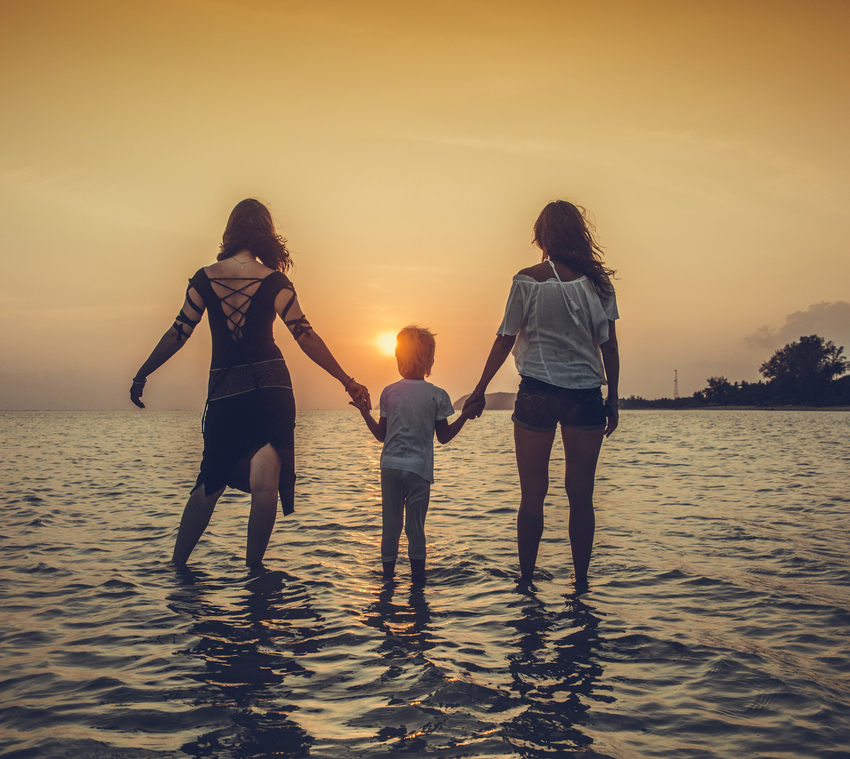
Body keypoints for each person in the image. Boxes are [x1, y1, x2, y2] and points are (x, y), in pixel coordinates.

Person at [130, 198, 369, 569]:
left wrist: (143, 372)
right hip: (272, 390)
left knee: (210, 479)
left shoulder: (204, 278)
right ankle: (253, 575)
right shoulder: (275, 281)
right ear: (265, 233)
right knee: (265, 484)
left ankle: (176, 569)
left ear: (231, 230)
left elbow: (179, 332)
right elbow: (304, 336)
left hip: (226, 391)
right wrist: (346, 381)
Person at [464, 200, 620, 586]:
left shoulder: (526, 279)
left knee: (532, 494)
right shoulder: (599, 285)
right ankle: (580, 583)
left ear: (542, 236)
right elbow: (609, 347)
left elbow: (504, 340)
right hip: (586, 396)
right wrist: (612, 399)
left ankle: (526, 581)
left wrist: (479, 390)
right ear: (578, 234)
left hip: (537, 392)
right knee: (580, 495)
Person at [351, 326, 472, 583]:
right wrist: (465, 416)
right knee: (415, 529)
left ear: (400, 357)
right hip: (419, 470)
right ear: (429, 359)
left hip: (390, 468)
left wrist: (364, 412)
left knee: (391, 528)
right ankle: (418, 587)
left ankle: (387, 584)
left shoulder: (389, 392)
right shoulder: (437, 395)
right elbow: (444, 436)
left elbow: (381, 436)